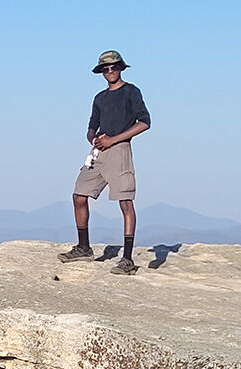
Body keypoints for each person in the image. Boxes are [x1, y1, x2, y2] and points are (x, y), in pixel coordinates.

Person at [58, 50, 150, 275]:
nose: (110, 71)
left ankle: (127, 259)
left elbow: (145, 122)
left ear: (121, 68)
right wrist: (95, 139)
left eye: (114, 67)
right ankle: (83, 247)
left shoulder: (131, 92)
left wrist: (114, 139)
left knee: (125, 202)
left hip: (119, 151)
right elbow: (91, 126)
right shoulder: (100, 98)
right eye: (105, 69)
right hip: (99, 152)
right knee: (79, 195)